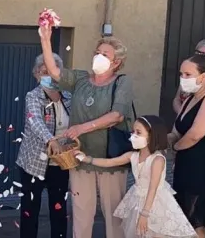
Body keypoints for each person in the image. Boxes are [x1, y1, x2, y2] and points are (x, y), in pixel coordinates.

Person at [39, 24, 135, 238]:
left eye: (105, 54)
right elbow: (54, 72)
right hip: (79, 157)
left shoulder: (122, 82)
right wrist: (45, 39)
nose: (98, 57)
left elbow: (117, 115)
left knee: (114, 215)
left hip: (111, 159)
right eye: (97, 52)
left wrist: (81, 128)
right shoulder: (81, 79)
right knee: (81, 215)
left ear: (116, 62)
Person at [76, 115, 196, 238]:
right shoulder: (132, 156)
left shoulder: (157, 160)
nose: (133, 136)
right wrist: (87, 159)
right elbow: (110, 162)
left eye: (138, 132)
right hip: (137, 199)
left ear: (152, 136)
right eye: (133, 131)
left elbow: (153, 188)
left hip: (155, 203)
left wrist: (145, 214)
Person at [16, 53, 71, 238]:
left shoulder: (68, 96)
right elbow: (35, 122)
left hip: (60, 162)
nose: (48, 75)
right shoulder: (33, 96)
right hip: (33, 162)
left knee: (59, 208)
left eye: (51, 71)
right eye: (43, 71)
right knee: (30, 210)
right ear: (36, 74)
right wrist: (51, 140)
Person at [169, 54, 205, 238]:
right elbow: (177, 130)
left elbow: (195, 134)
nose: (183, 78)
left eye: (188, 74)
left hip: (201, 168)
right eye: (181, 74)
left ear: (203, 76)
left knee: (197, 221)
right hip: (185, 166)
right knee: (184, 217)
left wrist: (175, 148)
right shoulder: (190, 98)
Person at [173, 39, 205, 114]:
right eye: (198, 52)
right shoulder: (187, 71)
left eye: (204, 54)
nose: (199, 56)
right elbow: (176, 99)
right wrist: (182, 114)